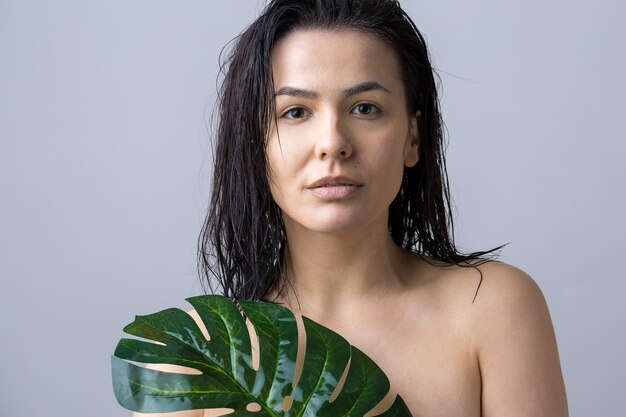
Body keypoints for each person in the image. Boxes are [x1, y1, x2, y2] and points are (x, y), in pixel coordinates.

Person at [136, 0, 568, 416]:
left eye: (365, 108)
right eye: (296, 111)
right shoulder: (193, 360)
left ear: (412, 138)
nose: (332, 143)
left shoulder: (492, 310)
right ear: (256, 144)